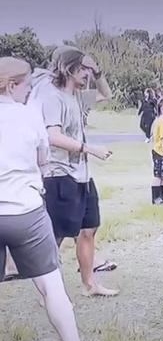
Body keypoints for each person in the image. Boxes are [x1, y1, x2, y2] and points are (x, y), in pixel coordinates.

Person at [0, 56, 85, 341]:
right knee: (53, 289)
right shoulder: (29, 114)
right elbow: (42, 159)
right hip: (26, 212)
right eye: (26, 85)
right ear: (12, 86)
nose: (29, 91)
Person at [32, 46, 119, 297]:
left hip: (81, 173)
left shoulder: (78, 95)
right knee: (56, 234)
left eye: (88, 70)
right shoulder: (52, 96)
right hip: (59, 173)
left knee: (89, 228)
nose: (87, 74)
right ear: (69, 68)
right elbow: (52, 136)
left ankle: (89, 285)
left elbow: (107, 94)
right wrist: (89, 149)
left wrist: (98, 70)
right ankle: (48, 292)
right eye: (82, 69)